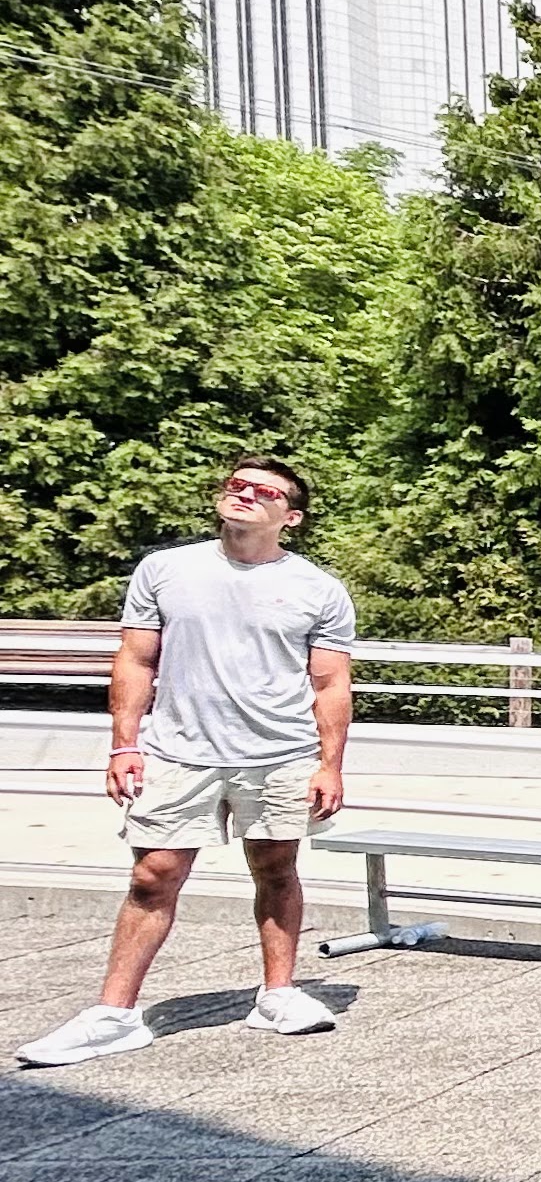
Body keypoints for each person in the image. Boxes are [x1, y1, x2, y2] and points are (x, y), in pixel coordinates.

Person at [24, 457, 356, 1067]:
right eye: (237, 485)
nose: (246, 495)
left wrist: (329, 764)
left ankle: (277, 994)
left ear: (293, 516)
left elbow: (331, 684)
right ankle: (115, 1014)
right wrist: (125, 744)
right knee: (154, 874)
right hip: (180, 751)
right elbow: (135, 661)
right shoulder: (167, 569)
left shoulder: (318, 588)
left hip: (279, 753)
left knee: (277, 869)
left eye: (264, 492)